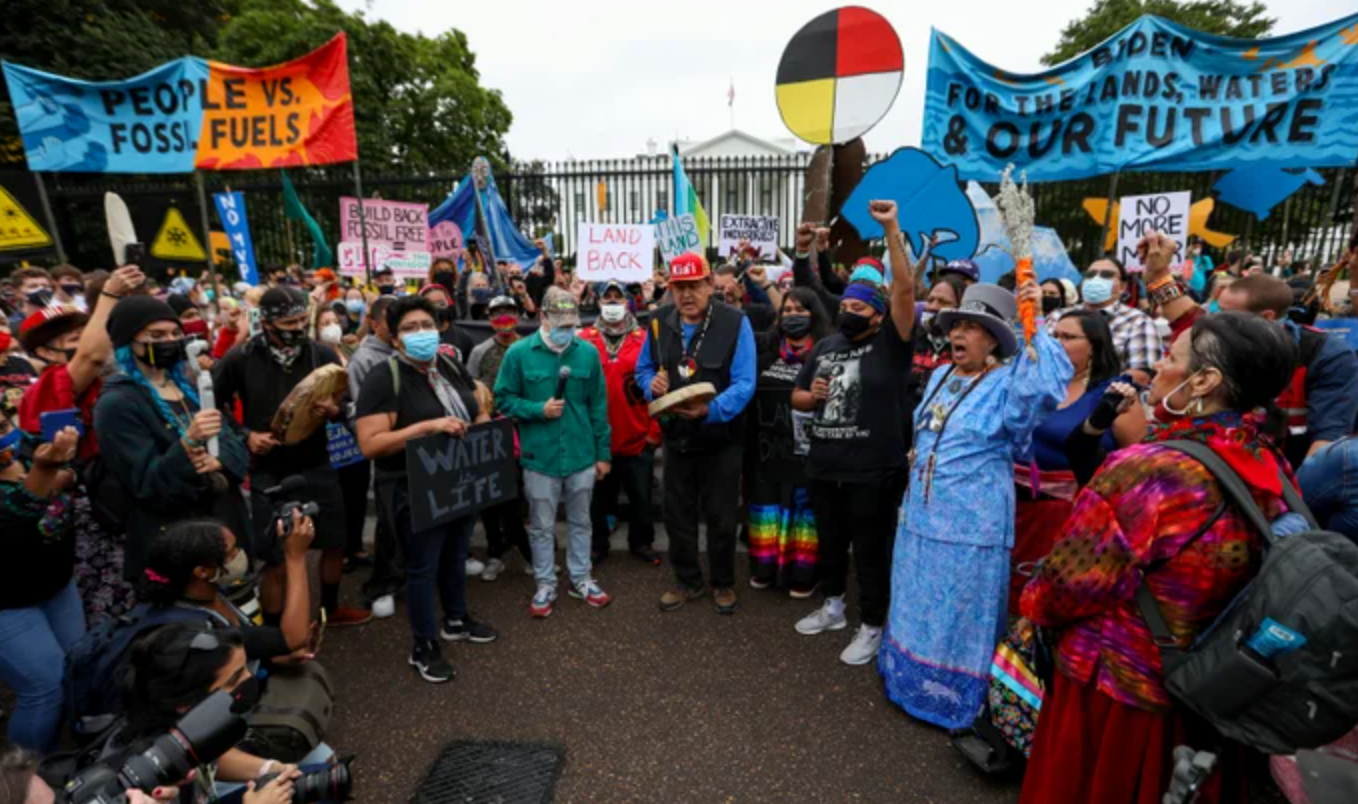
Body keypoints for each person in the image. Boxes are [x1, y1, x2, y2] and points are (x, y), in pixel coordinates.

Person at [1018, 311, 1298, 804]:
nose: (1159, 366)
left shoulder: (1150, 469)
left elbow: (1065, 586)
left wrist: (1030, 604)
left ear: (1204, 381)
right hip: (1206, 687)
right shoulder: (1266, 457)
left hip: (1117, 692)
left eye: (1171, 357)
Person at [881, 280, 1072, 727]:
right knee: (916, 599)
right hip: (921, 517)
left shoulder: (1010, 384)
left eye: (972, 326)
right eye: (957, 325)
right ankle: (905, 679)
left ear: (994, 339)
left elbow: (1047, 386)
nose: (959, 334)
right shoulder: (943, 374)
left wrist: (1034, 323)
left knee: (959, 611)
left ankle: (950, 700)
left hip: (972, 524)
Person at [788, 200, 916, 662]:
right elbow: (797, 398)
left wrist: (891, 229)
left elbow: (904, 289)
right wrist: (812, 396)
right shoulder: (825, 345)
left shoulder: (891, 344)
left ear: (879, 315)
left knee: (869, 551)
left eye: (862, 305)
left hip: (872, 471)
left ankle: (872, 624)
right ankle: (833, 607)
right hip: (825, 464)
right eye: (847, 304)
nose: (851, 309)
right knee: (830, 544)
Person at [356, 295, 498, 683]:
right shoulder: (384, 377)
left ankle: (455, 618)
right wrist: (426, 428)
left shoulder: (448, 364)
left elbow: (476, 404)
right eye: (409, 328)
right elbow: (370, 443)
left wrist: (484, 422)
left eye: (427, 326)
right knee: (422, 566)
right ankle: (424, 644)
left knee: (454, 554)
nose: (420, 334)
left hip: (458, 478)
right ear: (395, 338)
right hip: (411, 486)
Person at [212, 287, 370, 627]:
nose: (298, 327)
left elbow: (342, 399)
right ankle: (272, 631)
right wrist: (245, 436)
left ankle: (330, 611)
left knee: (334, 542)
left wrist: (334, 410)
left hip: (318, 461)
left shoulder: (323, 355)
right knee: (276, 557)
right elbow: (214, 405)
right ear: (267, 322)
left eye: (303, 320)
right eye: (289, 322)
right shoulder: (240, 357)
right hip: (268, 469)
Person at [18, 266, 145, 625]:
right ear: (44, 350)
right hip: (88, 516)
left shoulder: (110, 376)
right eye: (69, 334)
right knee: (109, 610)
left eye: (83, 328)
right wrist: (109, 295)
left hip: (124, 500)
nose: (85, 337)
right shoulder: (46, 387)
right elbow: (90, 355)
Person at [95, 296, 252, 583]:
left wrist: (219, 461)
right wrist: (187, 445)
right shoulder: (118, 403)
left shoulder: (190, 386)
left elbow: (234, 439)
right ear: (128, 342)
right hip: (177, 543)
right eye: (156, 335)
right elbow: (146, 485)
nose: (169, 341)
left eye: (174, 334)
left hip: (222, 525)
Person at [636, 252, 757, 615]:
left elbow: (745, 382)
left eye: (694, 286)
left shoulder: (736, 322)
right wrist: (650, 385)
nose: (686, 295)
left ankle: (722, 582)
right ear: (670, 289)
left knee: (721, 515)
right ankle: (687, 581)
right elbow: (642, 370)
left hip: (721, 439)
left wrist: (712, 410)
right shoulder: (658, 322)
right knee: (677, 515)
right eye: (679, 287)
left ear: (710, 285)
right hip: (677, 437)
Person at [1150, 263, 1358, 469]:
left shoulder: (1326, 355)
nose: (1215, 319)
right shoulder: (1220, 340)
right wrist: (1157, 271)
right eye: (1216, 310)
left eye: (1226, 313)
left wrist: (1293, 497)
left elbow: (1327, 441)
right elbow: (1183, 317)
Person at [1009, 309, 1144, 613]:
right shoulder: (1034, 383)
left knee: (1046, 598)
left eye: (1068, 337)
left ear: (1095, 344)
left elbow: (1134, 465)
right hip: (1012, 509)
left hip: (1066, 517)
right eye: (1054, 335)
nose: (1057, 342)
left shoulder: (1114, 396)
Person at [495, 287, 612, 618]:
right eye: (559, 322)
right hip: (540, 457)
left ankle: (581, 578)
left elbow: (598, 406)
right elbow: (502, 398)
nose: (566, 330)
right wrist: (537, 409)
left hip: (581, 454)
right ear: (542, 317)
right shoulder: (518, 354)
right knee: (542, 525)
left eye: (571, 323)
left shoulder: (587, 353)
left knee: (581, 521)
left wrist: (603, 453)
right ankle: (545, 583)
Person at [104, 623, 304, 804]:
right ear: (185, 702)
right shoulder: (147, 788)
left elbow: (205, 756)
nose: (249, 679)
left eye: (245, 669)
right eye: (234, 679)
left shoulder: (181, 737)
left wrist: (267, 769)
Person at [0, 418, 81, 751]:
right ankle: (21, 783)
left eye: (3, 423)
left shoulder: (30, 446)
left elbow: (76, 472)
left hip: (56, 587)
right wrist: (44, 475)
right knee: (45, 689)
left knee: (79, 668)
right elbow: (13, 524)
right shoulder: (38, 462)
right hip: (7, 603)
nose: (4, 436)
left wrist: (64, 470)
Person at [138, 517, 315, 664]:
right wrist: (295, 557)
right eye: (231, 553)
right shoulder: (197, 630)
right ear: (202, 572)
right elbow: (293, 638)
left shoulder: (211, 592)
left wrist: (274, 659)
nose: (239, 554)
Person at [749, 287, 831, 597]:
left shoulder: (826, 355)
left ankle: (804, 574)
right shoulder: (765, 353)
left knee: (804, 512)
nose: (792, 316)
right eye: (787, 311)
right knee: (767, 507)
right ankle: (765, 568)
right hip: (768, 450)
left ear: (814, 315)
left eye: (800, 310)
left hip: (809, 453)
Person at [579, 281, 662, 567]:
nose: (613, 303)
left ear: (628, 302)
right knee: (598, 499)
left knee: (641, 497)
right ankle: (597, 544)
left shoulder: (646, 339)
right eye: (607, 297)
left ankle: (642, 542)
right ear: (598, 301)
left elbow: (659, 386)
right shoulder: (583, 338)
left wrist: (654, 433)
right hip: (597, 437)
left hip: (638, 436)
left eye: (618, 298)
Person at [345, 295, 402, 618]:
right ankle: (384, 584)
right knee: (389, 521)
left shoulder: (406, 352)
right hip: (387, 453)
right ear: (377, 323)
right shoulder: (364, 360)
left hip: (414, 450)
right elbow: (357, 412)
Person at [1048, 257, 1160, 385]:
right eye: (1090, 274)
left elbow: (1140, 375)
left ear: (1122, 287)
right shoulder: (1058, 316)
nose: (1096, 279)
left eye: (1107, 275)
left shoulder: (1138, 322)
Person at [911, 274, 968, 401]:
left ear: (961, 308)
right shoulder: (910, 338)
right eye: (930, 300)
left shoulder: (968, 348)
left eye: (943, 302)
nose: (933, 307)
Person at [7, 268, 54, 332]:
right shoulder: (12, 326)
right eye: (33, 286)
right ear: (17, 292)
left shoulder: (60, 317)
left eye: (45, 286)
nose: (41, 289)